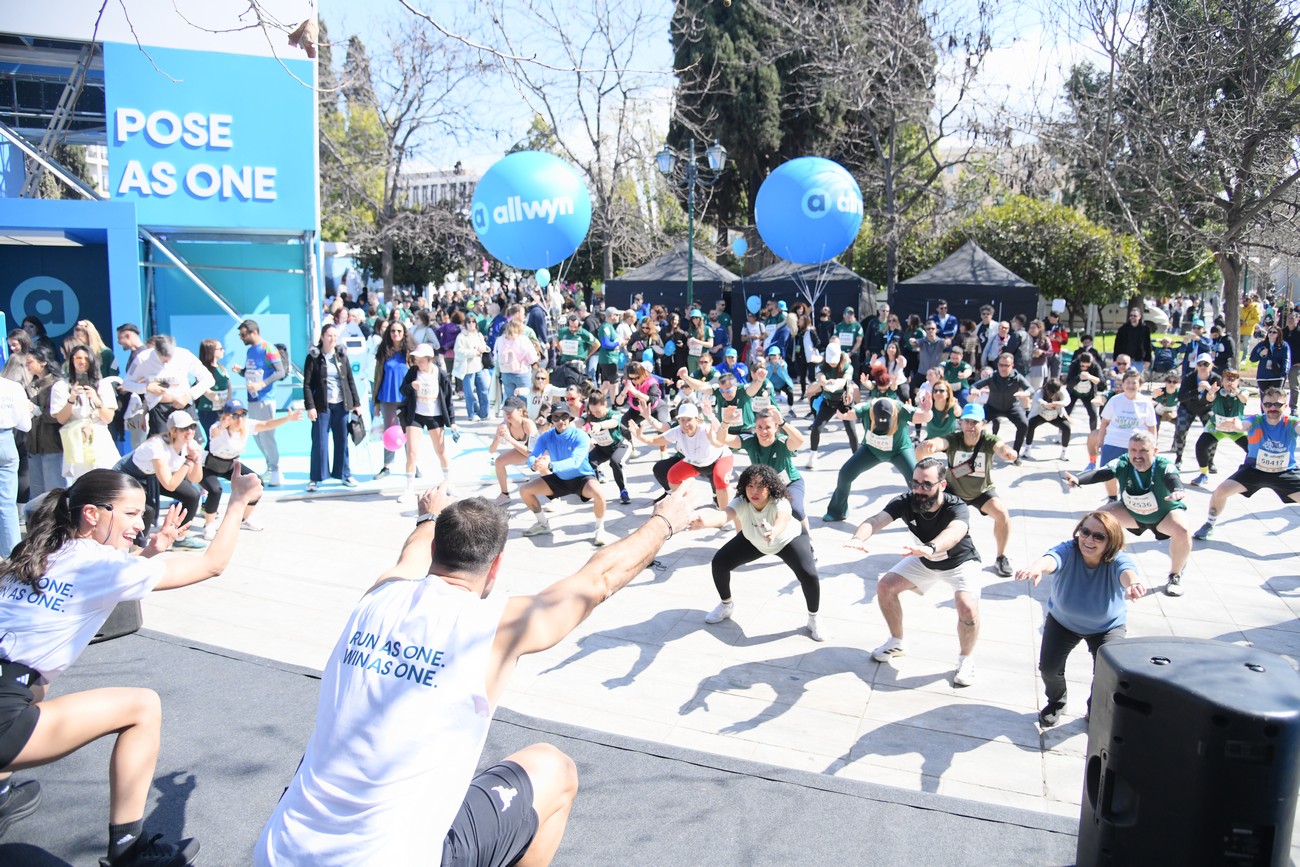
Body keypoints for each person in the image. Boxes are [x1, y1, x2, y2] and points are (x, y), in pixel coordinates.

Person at [255, 481, 694, 865]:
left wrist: (429, 514)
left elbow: (410, 557)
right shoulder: (495, 627)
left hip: (280, 851)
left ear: (435, 551)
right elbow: (599, 579)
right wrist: (663, 523)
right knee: (554, 770)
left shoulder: (379, 594)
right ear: (496, 565)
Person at [0, 467, 261, 866]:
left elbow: (96, 584)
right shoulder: (100, 565)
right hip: (3, 717)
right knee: (142, 706)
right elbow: (211, 564)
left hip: (9, 691)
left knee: (37, 685)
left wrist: (152, 551)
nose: (140, 525)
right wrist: (239, 502)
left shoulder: (36, 553)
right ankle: (129, 852)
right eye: (130, 514)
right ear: (92, 514)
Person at [844, 456, 982, 687]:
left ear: (942, 485)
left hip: (960, 563)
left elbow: (956, 531)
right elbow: (877, 519)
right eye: (915, 483)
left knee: (967, 608)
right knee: (886, 586)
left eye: (927, 485)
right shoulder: (906, 501)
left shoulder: (956, 506)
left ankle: (966, 659)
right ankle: (896, 641)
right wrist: (858, 538)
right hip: (923, 559)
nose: (919, 490)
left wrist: (930, 548)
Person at [1015, 510, 1146, 727]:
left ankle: (1094, 709)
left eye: (1099, 536)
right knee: (1048, 668)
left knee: (1108, 674)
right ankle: (1057, 701)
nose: (1089, 539)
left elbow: (1127, 572)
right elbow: (1051, 559)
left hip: (1107, 628)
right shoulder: (1069, 549)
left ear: (1111, 541)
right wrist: (1036, 568)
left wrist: (1133, 584)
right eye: (1085, 532)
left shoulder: (1117, 559)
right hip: (1062, 622)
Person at [689, 464, 825, 641]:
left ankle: (814, 618)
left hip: (788, 540)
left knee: (809, 575)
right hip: (754, 540)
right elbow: (725, 515)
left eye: (760, 486)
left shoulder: (779, 501)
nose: (754, 491)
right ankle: (726, 605)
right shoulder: (742, 501)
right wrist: (704, 523)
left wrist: (774, 531)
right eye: (750, 486)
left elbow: (782, 519)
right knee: (719, 563)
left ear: (770, 488)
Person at [1063, 430, 1192, 596]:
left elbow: (1173, 478)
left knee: (1183, 530)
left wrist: (1178, 490)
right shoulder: (1123, 462)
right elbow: (1102, 473)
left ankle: (1175, 574)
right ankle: (1093, 562)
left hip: (1163, 515)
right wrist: (1079, 479)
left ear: (1155, 451)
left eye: (1143, 451)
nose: (1137, 456)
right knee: (1097, 520)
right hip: (1132, 512)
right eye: (1133, 450)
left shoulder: (1163, 465)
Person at [916, 403, 1019, 577]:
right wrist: (931, 445)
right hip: (954, 491)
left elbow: (1001, 447)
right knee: (929, 512)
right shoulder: (954, 439)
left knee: (1002, 514)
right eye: (967, 422)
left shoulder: (989, 440)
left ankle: (1001, 557)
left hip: (981, 491)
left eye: (975, 422)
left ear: (983, 424)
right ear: (961, 423)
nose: (971, 426)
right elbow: (941, 442)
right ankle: (933, 550)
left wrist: (1008, 452)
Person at [1194, 388, 1300, 540]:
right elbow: (1242, 425)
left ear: (1286, 406)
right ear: (1262, 405)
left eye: (1277, 404)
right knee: (1220, 492)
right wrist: (1234, 425)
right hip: (1254, 470)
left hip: (1284, 472)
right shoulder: (1256, 419)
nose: (1272, 408)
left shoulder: (1291, 422)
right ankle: (1209, 524)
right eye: (1268, 404)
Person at [198, 399, 299, 539]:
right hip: (208, 465)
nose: (239, 419)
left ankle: (244, 519)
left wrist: (287, 418)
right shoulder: (217, 427)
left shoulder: (247, 425)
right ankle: (209, 525)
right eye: (235, 415)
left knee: (257, 482)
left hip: (230, 464)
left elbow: (267, 424)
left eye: (242, 414)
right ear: (226, 416)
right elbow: (214, 433)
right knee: (215, 490)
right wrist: (222, 425)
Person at [823, 395, 928, 523]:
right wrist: (843, 406)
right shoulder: (867, 408)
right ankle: (837, 511)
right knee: (845, 474)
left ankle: (926, 517)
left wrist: (927, 410)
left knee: (917, 481)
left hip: (899, 451)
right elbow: (844, 415)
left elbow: (924, 417)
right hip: (871, 450)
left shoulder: (901, 409)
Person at [519, 405, 609, 546]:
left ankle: (600, 529)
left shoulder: (581, 436)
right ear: (551, 420)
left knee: (600, 494)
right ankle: (543, 524)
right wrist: (534, 464)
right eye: (556, 417)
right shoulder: (546, 436)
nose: (560, 421)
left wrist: (550, 466)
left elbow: (575, 462)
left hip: (582, 478)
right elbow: (534, 454)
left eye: (564, 417)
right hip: (559, 478)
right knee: (524, 490)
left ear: (570, 418)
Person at [120, 411, 207, 550]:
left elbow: (195, 479)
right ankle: (136, 549)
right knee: (147, 510)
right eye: (185, 428)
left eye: (192, 427)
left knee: (192, 495)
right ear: (173, 431)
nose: (190, 431)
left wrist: (196, 459)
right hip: (130, 475)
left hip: (152, 475)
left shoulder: (191, 444)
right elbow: (169, 485)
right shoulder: (157, 446)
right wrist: (189, 461)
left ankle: (179, 537)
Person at [641, 403, 735, 510]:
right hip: (695, 461)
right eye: (682, 419)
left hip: (717, 459)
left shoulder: (705, 429)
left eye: (689, 419)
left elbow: (720, 443)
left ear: (697, 419)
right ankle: (686, 505)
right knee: (672, 476)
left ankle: (724, 514)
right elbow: (656, 437)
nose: (685, 423)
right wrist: (640, 435)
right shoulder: (677, 429)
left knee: (719, 480)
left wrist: (712, 433)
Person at [303, 323, 362, 494]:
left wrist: (356, 404)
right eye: (329, 335)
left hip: (341, 405)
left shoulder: (341, 355)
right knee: (320, 442)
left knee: (342, 441)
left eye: (335, 336)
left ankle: (344, 473)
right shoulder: (314, 357)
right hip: (322, 406)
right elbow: (307, 384)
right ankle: (315, 478)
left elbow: (350, 380)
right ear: (322, 337)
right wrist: (310, 406)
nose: (332, 339)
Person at [399, 344, 458, 502]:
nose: (417, 363)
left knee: (441, 451)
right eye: (416, 359)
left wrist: (452, 422)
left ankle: (448, 484)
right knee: (411, 452)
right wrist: (411, 386)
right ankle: (409, 489)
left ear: (429, 359)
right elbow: (402, 390)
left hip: (435, 416)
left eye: (421, 360)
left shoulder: (441, 375)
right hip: (416, 415)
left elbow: (448, 400)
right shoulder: (413, 372)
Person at [231, 320, 286, 486]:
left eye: (243, 334)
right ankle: (270, 466)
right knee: (256, 436)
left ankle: (276, 469)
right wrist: (241, 371)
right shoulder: (250, 351)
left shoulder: (268, 348)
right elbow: (251, 374)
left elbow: (280, 371)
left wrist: (262, 384)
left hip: (265, 398)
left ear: (253, 332)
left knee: (268, 436)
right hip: (252, 398)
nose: (241, 338)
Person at [1188, 368, 1249, 487]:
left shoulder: (1243, 391)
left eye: (1233, 379)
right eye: (1227, 379)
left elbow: (1244, 399)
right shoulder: (1217, 391)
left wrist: (1236, 390)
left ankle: (1247, 474)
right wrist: (1211, 392)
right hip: (1217, 427)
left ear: (1238, 381)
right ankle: (1203, 474)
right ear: (1222, 380)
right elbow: (1210, 398)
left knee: (1251, 449)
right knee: (1201, 445)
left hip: (1236, 429)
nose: (1230, 382)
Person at [968, 353, 1033, 458]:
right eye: (1001, 365)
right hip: (992, 407)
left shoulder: (1017, 377)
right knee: (975, 423)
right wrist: (974, 390)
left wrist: (1026, 393)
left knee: (1024, 424)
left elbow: (1031, 389)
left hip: (1011, 407)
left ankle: (1015, 454)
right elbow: (974, 385)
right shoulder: (993, 376)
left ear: (1012, 365)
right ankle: (975, 450)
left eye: (1006, 365)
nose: (1003, 368)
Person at [804, 340, 857, 469]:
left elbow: (846, 380)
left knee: (851, 430)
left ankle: (856, 458)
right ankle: (812, 456)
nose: (832, 363)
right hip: (828, 402)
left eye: (835, 360)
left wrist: (837, 384)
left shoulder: (847, 366)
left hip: (843, 402)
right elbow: (820, 378)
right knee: (816, 428)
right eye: (830, 360)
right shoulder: (821, 367)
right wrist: (825, 382)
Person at [25, 348, 67, 502]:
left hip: (52, 444)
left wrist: (37, 411)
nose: (27, 366)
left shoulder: (56, 385)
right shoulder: (31, 385)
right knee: (38, 494)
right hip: (34, 445)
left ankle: (58, 524)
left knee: (54, 490)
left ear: (43, 362)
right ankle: (41, 525)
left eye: (30, 362)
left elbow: (59, 415)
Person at [0, 373, 32, 557]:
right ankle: (12, 556)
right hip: (6, 440)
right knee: (7, 505)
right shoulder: (13, 387)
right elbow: (25, 425)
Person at [1171, 353, 1220, 469]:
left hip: (1206, 408)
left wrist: (1210, 389)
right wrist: (1197, 390)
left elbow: (1220, 398)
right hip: (1187, 407)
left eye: (1206, 364)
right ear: (1196, 366)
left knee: (1213, 431)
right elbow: (1181, 397)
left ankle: (1210, 461)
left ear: (1211, 365)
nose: (1203, 366)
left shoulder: (1215, 379)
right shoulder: (1189, 378)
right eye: (1200, 364)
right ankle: (1178, 458)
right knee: (1181, 429)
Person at [582, 390, 632, 505]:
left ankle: (623, 490)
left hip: (620, 446)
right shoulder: (590, 415)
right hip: (602, 449)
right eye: (592, 411)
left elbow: (613, 423)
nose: (595, 414)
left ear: (604, 404)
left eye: (598, 411)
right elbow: (578, 422)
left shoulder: (614, 414)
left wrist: (600, 425)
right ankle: (592, 490)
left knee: (615, 462)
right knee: (588, 464)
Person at [489, 396, 539, 504]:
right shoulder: (504, 425)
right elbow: (491, 450)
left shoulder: (528, 425)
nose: (507, 414)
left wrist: (510, 439)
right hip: (523, 452)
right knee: (499, 462)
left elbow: (531, 453)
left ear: (520, 411)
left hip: (540, 452)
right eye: (505, 411)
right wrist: (498, 437)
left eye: (510, 411)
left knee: (544, 467)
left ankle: (554, 497)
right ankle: (504, 494)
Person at [1022, 377, 1071, 462]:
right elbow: (1038, 399)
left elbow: (1067, 400)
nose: (1052, 395)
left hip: (1055, 415)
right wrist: (1045, 404)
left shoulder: (1061, 391)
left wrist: (1059, 403)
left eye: (1054, 392)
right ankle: (1027, 449)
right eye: (1050, 392)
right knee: (1030, 425)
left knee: (1067, 427)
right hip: (1041, 414)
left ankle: (1063, 452)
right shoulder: (1040, 391)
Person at [453, 316, 491, 422]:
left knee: (484, 389)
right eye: (469, 322)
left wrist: (484, 349)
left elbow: (484, 346)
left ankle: (484, 413)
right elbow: (459, 351)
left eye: (473, 321)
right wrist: (473, 352)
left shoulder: (478, 335)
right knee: (469, 392)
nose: (471, 324)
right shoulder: (461, 336)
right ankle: (472, 413)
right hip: (467, 368)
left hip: (480, 366)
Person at [194, 338, 231, 442]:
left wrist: (228, 400)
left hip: (223, 410)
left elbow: (228, 384)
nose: (223, 351)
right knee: (213, 439)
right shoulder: (203, 370)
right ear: (212, 351)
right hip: (208, 411)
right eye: (220, 349)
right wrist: (219, 400)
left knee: (225, 438)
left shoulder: (221, 367)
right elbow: (206, 391)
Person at [1251, 326, 1291, 395]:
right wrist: (1260, 354)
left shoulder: (1284, 345)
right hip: (1263, 376)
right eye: (1270, 332)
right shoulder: (1261, 345)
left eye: (1274, 332)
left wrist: (1284, 373)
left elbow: (1286, 360)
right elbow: (1252, 359)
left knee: (1276, 398)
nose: (1271, 334)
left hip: (1277, 376)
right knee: (1265, 399)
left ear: (1278, 334)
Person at [1113, 307, 1154, 373]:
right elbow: (1117, 345)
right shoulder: (1123, 329)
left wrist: (1148, 360)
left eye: (1135, 316)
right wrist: (1115, 359)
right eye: (1131, 315)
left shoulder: (1145, 329)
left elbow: (1147, 345)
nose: (1132, 317)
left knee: (1137, 379)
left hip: (1139, 359)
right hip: (1124, 360)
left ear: (1139, 317)